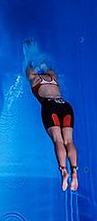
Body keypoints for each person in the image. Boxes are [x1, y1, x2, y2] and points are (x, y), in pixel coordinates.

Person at [24, 48, 79, 191]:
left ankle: (64, 171)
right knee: (69, 141)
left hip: (49, 106)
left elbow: (27, 68)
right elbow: (46, 66)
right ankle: (74, 172)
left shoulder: (34, 78)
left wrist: (27, 56)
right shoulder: (53, 76)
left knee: (58, 140)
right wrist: (38, 57)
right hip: (65, 105)